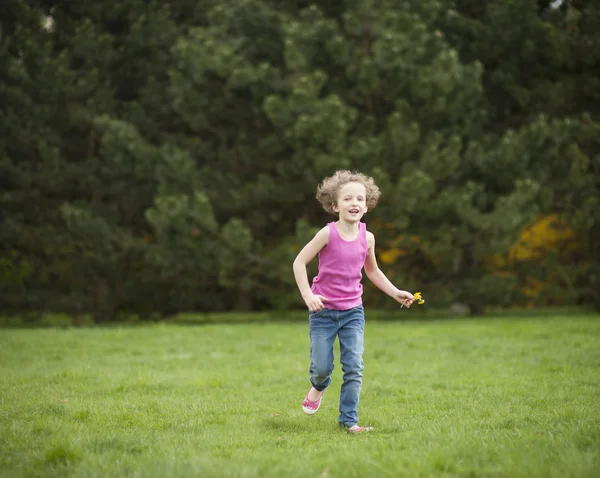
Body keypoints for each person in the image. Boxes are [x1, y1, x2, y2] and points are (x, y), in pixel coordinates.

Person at [292, 170, 415, 434]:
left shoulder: (367, 238)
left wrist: (395, 292)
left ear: (367, 205)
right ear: (335, 206)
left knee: (354, 367)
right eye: (347, 199)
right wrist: (308, 295)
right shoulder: (327, 234)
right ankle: (318, 386)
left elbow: (372, 271)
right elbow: (299, 262)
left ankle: (349, 422)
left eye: (360, 198)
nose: (355, 203)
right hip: (323, 312)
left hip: (353, 313)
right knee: (322, 368)